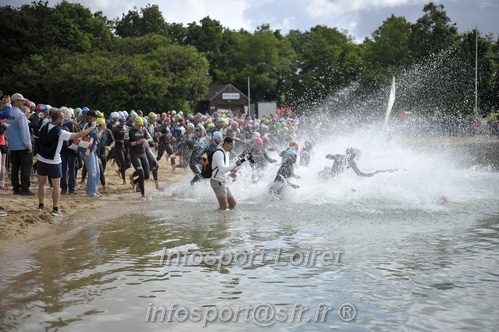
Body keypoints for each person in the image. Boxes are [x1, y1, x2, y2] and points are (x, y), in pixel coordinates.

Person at [37, 109, 97, 216]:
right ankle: (55, 209)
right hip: (54, 161)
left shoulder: (44, 126)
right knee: (56, 186)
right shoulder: (60, 131)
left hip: (41, 159)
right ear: (59, 119)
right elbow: (78, 135)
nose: (63, 120)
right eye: (62, 118)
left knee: (42, 183)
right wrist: (92, 127)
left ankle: (41, 206)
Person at [6, 93, 34, 195]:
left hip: (13, 145)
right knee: (25, 167)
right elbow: (24, 131)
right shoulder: (21, 115)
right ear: (15, 101)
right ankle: (25, 188)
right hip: (22, 145)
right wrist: (28, 145)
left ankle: (15, 188)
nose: (23, 102)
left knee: (15, 168)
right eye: (21, 100)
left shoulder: (7, 114)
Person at [320, 148, 398, 180]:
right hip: (330, 175)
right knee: (325, 169)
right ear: (351, 154)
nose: (354, 157)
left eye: (355, 156)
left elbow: (359, 174)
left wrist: (369, 175)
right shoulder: (340, 156)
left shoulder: (352, 163)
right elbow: (327, 156)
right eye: (354, 155)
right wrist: (336, 156)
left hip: (333, 178)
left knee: (326, 171)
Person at [210, 136, 243, 210]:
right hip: (217, 181)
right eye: (231, 145)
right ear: (226, 143)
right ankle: (214, 218)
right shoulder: (219, 153)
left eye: (233, 145)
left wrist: (230, 174)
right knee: (224, 206)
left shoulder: (226, 153)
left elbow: (222, 169)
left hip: (223, 181)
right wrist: (235, 164)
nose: (232, 147)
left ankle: (226, 220)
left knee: (232, 204)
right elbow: (222, 169)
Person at [127, 117, 153, 198]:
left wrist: (146, 140)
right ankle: (143, 194)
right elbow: (126, 143)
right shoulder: (129, 130)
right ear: (135, 124)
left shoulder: (144, 130)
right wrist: (137, 142)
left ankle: (134, 182)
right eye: (139, 125)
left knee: (147, 175)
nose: (140, 127)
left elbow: (150, 138)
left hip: (143, 154)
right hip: (134, 154)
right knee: (141, 173)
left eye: (141, 125)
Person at [81, 110, 101, 197]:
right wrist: (102, 131)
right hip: (88, 149)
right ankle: (90, 191)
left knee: (97, 171)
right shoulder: (87, 125)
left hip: (93, 149)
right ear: (90, 117)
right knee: (92, 171)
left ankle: (94, 189)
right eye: (95, 117)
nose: (96, 119)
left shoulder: (93, 125)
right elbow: (96, 137)